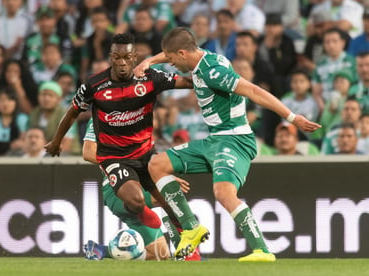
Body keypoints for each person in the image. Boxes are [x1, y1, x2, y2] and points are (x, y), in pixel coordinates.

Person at [134, 27, 321, 261]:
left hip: (235, 140)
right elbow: (173, 50)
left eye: (171, 59)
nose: (169, 64)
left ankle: (262, 250)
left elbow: (253, 90)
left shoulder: (213, 71)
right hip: (215, 139)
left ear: (182, 53)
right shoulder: (200, 56)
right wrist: (149, 61)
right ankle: (191, 228)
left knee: (223, 192)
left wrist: (293, 117)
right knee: (158, 164)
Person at [44, 33, 194, 234]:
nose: (122, 63)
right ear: (110, 57)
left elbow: (187, 83)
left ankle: (189, 247)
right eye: (117, 57)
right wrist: (56, 141)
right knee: (137, 200)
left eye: (126, 57)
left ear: (135, 57)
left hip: (146, 154)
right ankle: (141, 211)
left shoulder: (150, 78)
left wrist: (206, 73)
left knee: (172, 205)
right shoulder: (94, 85)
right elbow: (72, 112)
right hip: (114, 157)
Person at [81, 118, 200, 261]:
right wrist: (128, 164)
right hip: (115, 189)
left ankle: (100, 250)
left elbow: (148, 157)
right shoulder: (100, 116)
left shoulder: (139, 114)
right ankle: (189, 253)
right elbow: (88, 153)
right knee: (168, 195)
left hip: (141, 182)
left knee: (160, 254)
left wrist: (162, 177)